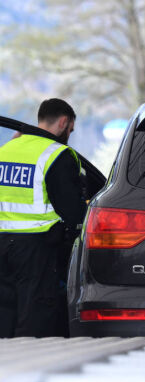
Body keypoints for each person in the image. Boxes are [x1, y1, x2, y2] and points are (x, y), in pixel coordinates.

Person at [0, 98, 86, 337]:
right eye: (70, 129)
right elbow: (71, 210)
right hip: (35, 247)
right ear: (63, 122)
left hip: (2, 242)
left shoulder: (6, 149)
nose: (69, 134)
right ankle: (30, 365)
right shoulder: (58, 154)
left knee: (5, 309)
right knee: (35, 311)